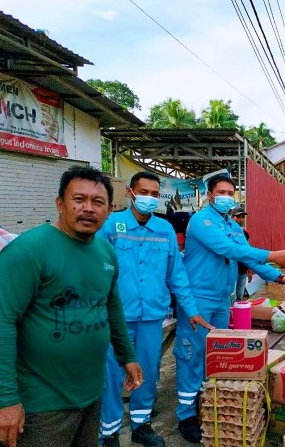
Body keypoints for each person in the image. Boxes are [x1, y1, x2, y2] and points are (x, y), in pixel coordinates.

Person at [0, 166, 142, 447]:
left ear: (109, 210)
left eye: (98, 202)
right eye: (78, 199)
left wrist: (127, 355)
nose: (88, 209)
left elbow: (111, 305)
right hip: (41, 403)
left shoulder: (105, 252)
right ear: (60, 203)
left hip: (91, 394)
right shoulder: (27, 251)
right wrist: (3, 400)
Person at [175, 175, 285, 443]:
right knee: (191, 354)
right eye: (221, 192)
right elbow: (227, 249)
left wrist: (281, 276)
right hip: (198, 298)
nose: (226, 196)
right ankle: (186, 414)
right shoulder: (201, 221)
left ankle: (208, 400)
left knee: (215, 355)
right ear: (209, 195)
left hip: (224, 298)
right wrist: (273, 254)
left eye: (230, 192)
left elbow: (247, 257)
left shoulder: (232, 225)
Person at [97, 171, 211, 447]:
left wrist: (191, 309)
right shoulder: (111, 226)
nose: (149, 198)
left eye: (155, 194)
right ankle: (108, 431)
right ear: (130, 192)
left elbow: (177, 274)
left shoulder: (164, 230)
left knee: (146, 372)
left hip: (151, 317)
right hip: (116, 318)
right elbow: (95, 268)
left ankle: (141, 424)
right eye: (144, 192)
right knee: (111, 374)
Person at [230, 206, 253, 302]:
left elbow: (248, 251)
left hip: (242, 267)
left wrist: (250, 269)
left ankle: (236, 314)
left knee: (240, 295)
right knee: (227, 293)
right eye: (238, 217)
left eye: (242, 217)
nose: (240, 219)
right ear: (232, 217)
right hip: (230, 268)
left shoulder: (245, 232)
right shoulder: (226, 231)